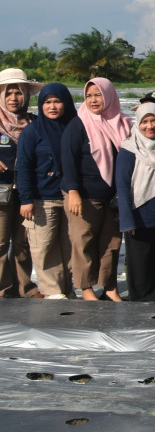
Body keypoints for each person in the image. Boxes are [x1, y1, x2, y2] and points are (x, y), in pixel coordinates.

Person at [61, 77, 128, 301]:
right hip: (85, 195)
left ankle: (109, 287)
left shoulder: (123, 123)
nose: (93, 100)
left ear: (109, 95)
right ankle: (86, 288)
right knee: (84, 241)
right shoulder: (78, 124)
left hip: (114, 196)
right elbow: (68, 161)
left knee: (111, 243)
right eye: (89, 95)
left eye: (98, 94)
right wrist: (73, 191)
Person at [15, 83, 75, 298]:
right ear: (41, 105)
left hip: (70, 197)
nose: (52, 106)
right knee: (43, 247)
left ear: (66, 103)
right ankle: (52, 291)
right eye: (47, 102)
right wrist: (26, 198)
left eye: (57, 101)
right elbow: (23, 165)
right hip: (42, 199)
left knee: (69, 247)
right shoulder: (33, 131)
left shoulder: (75, 126)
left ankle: (68, 290)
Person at [116, 102, 155, 301]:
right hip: (139, 216)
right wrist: (127, 220)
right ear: (137, 124)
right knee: (140, 266)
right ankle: (141, 304)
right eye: (144, 122)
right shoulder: (129, 150)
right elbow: (123, 186)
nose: (150, 126)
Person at [0, 68, 41, 298]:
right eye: (8, 93)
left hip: (27, 192)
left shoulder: (35, 123)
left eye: (18, 93)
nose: (13, 99)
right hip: (1, 193)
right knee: (0, 242)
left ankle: (25, 288)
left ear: (26, 95)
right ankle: (2, 289)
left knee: (23, 243)